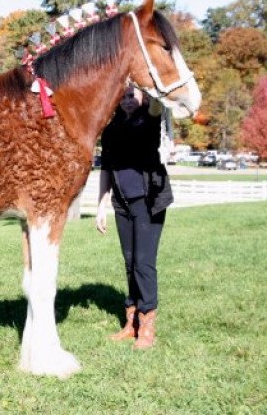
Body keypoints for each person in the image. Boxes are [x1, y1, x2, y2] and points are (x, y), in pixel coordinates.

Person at [96, 86, 173, 349]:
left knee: (143, 263)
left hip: (148, 202)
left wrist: (152, 88)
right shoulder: (112, 127)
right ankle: (132, 322)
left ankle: (147, 324)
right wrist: (101, 205)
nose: (128, 100)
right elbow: (106, 167)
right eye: (124, 96)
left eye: (133, 95)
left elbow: (156, 107)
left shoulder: (149, 118)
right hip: (122, 204)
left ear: (142, 97)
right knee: (129, 263)